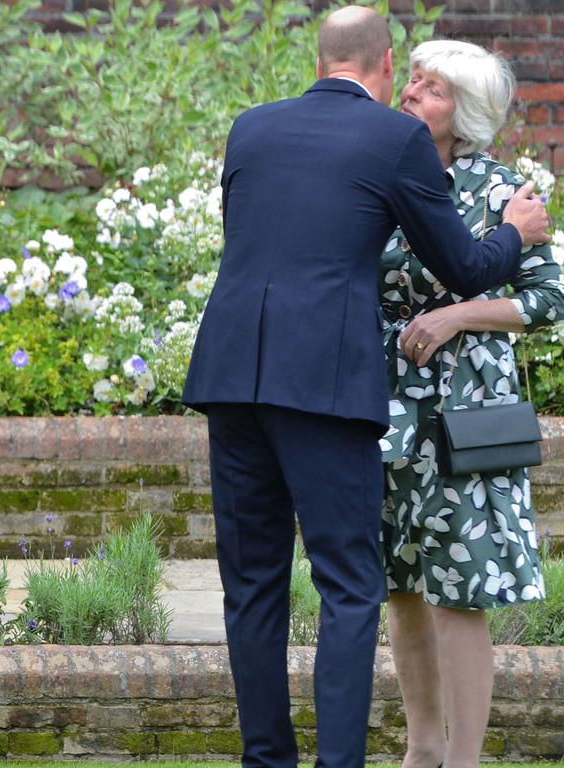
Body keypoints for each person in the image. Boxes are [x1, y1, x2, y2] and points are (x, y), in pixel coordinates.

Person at [181, 6, 551, 768]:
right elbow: (466, 269)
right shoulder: (395, 138)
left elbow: (259, 243)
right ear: (384, 64)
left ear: (321, 59)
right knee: (351, 585)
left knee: (252, 588)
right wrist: (516, 232)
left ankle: (267, 761)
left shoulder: (250, 128)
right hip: (324, 385)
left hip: (231, 375)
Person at [378, 40, 564, 768]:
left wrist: (457, 315)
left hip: (464, 418)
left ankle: (464, 761)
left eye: (433, 88)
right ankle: (421, 750)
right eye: (413, 80)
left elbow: (549, 297)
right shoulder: (385, 180)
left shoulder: (502, 192)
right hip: (388, 415)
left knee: (460, 590)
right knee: (400, 585)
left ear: (470, 114)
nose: (413, 92)